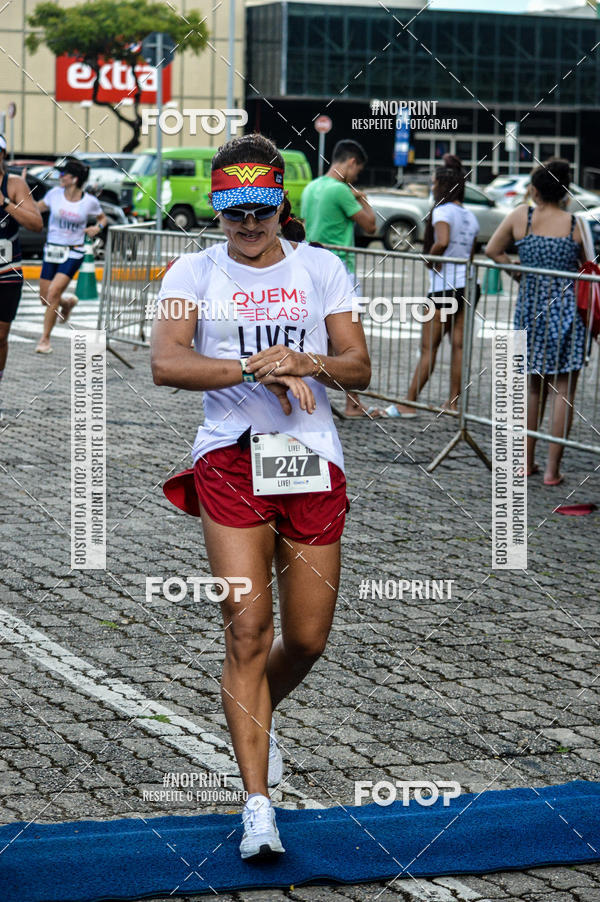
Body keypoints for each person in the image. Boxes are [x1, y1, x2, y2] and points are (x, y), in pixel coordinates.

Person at [151, 133, 370, 861]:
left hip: (311, 463)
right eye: (234, 210)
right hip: (229, 465)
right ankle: (257, 806)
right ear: (217, 208)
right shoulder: (192, 268)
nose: (248, 224)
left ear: (282, 203)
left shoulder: (323, 267)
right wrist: (251, 364)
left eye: (261, 208)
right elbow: (166, 362)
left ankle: (258, 714)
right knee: (246, 633)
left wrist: (306, 359)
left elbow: (359, 366)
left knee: (306, 639)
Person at [486, 158, 585, 485]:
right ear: (565, 190)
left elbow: (492, 250)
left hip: (530, 307)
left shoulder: (521, 217)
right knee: (563, 390)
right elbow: (588, 267)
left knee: (532, 388)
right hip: (567, 309)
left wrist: (519, 273)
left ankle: (525, 463)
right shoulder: (575, 224)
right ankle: (553, 470)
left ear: (535, 189)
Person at [383, 158, 479, 417]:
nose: (432, 187)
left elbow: (443, 241)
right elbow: (470, 253)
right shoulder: (470, 216)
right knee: (458, 347)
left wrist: (430, 260)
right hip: (468, 285)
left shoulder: (442, 211)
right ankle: (453, 403)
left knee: (429, 348)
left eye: (435, 183)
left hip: (443, 289)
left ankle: (408, 403)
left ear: (443, 185)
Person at [301, 138, 376, 416]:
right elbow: (370, 226)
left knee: (318, 332)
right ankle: (353, 403)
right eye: (357, 171)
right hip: (339, 269)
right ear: (351, 162)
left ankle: (313, 388)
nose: (356, 177)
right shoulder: (340, 191)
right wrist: (363, 199)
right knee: (347, 339)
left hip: (311, 267)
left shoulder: (312, 187)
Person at [34, 157, 106, 354]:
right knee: (44, 298)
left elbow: (102, 218)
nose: (60, 176)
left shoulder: (89, 201)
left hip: (73, 251)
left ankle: (45, 339)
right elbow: (36, 207)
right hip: (52, 250)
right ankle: (67, 304)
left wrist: (96, 228)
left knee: (53, 293)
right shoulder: (54, 194)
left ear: (74, 179)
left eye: (63, 174)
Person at [0, 134, 43, 416]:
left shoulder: (13, 184)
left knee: (0, 337)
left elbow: (36, 223)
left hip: (6, 272)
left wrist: (5, 203)